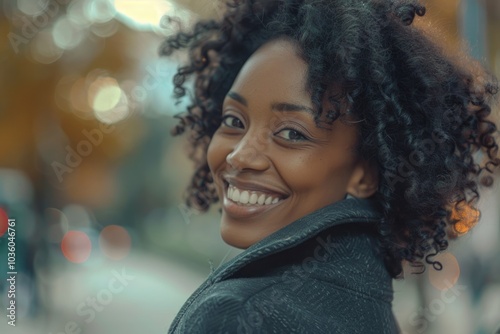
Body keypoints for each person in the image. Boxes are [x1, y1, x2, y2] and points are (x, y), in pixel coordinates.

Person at [161, 0, 499, 332]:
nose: (239, 156)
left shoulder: (237, 316)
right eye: (234, 120)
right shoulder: (375, 314)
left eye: (292, 133)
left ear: (364, 174)